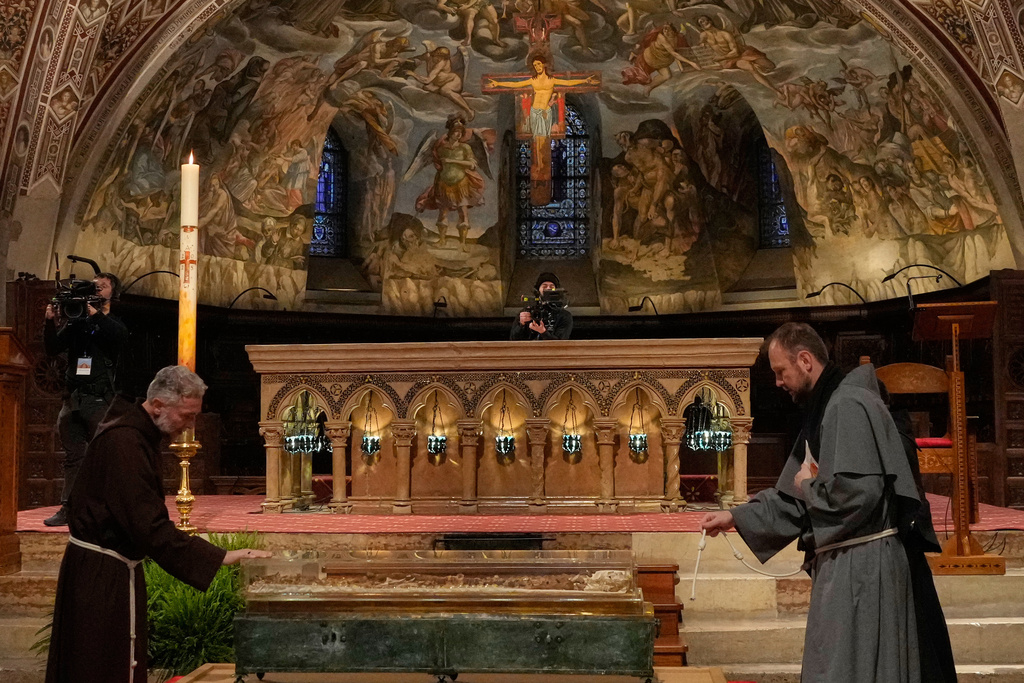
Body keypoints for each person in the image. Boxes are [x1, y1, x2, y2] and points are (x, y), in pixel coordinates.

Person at [701, 323, 923, 682]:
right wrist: (736, 517)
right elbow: (796, 494)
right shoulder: (828, 405)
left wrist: (809, 485)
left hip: (865, 566)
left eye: (780, 372)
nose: (777, 382)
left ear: (804, 360)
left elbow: (855, 495)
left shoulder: (848, 404)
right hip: (848, 561)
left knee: (852, 670)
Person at [45, 365, 271, 683]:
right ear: (159, 405)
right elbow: (148, 526)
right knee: (99, 665)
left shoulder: (135, 433)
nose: (191, 425)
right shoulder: (124, 442)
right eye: (187, 415)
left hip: (111, 570)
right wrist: (221, 556)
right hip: (101, 578)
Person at [43, 272, 129, 527]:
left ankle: (110, 510)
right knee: (73, 458)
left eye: (102, 287)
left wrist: (96, 315)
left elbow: (120, 337)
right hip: (73, 400)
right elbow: (52, 348)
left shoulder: (111, 322)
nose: (97, 290)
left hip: (100, 400)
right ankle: (69, 508)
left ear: (113, 294)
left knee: (106, 456)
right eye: (94, 286)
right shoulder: (76, 323)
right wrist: (49, 322)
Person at [511, 272, 573, 340]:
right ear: (538, 290)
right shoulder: (527, 312)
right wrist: (521, 325)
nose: (548, 288)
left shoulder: (564, 315)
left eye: (552, 286)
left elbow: (561, 343)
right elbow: (513, 340)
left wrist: (543, 332)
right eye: (544, 286)